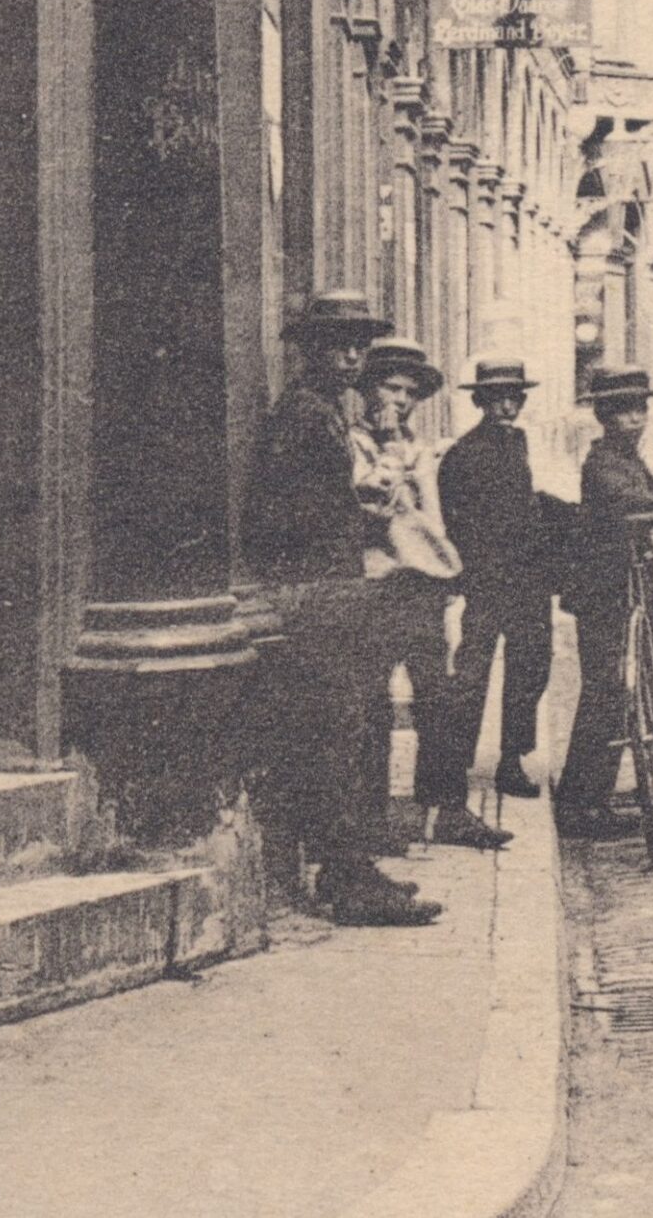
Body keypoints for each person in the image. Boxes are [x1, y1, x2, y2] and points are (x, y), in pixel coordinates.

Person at [242, 291, 441, 927]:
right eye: (336, 342)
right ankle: (346, 880)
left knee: (349, 732)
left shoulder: (323, 412)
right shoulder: (304, 415)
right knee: (334, 738)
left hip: (334, 591)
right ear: (308, 349)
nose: (351, 353)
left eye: (358, 342)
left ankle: (351, 866)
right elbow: (277, 515)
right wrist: (351, 517)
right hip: (318, 595)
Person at [351, 338, 511, 853]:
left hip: (421, 589)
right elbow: (371, 505)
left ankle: (445, 810)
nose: (400, 400)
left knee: (439, 701)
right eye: (390, 388)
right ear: (367, 390)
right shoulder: (354, 444)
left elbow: (435, 523)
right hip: (374, 587)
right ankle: (371, 821)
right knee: (370, 704)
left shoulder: (420, 450)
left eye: (410, 393)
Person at [425, 357, 560, 835]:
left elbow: (525, 503)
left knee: (531, 666)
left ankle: (511, 759)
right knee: (473, 672)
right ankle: (452, 772)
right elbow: (456, 521)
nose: (507, 404)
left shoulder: (517, 442)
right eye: (497, 396)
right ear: (480, 401)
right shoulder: (464, 454)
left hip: (527, 576)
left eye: (515, 396)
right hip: (488, 579)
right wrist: (476, 569)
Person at [552, 365, 653, 841]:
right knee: (606, 690)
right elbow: (632, 501)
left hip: (629, 581)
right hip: (604, 589)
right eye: (625, 411)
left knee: (617, 690)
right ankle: (579, 805)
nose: (636, 419)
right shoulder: (603, 461)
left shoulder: (630, 456)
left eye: (641, 409)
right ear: (605, 416)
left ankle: (592, 796)